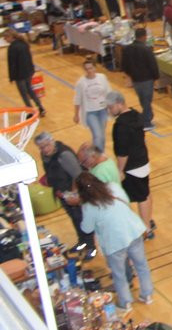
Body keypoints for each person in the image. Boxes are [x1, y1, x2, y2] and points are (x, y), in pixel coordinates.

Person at [74, 171, 152, 310]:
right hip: (133, 230)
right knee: (141, 266)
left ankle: (125, 302)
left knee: (119, 274)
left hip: (114, 242)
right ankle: (147, 295)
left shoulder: (88, 206)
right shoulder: (113, 186)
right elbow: (126, 201)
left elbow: (86, 229)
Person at [35, 132, 95, 252]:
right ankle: (82, 242)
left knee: (81, 218)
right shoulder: (44, 155)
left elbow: (78, 176)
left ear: (52, 141)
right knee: (75, 219)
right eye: (41, 147)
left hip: (73, 194)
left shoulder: (64, 155)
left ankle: (91, 247)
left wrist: (73, 195)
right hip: (62, 194)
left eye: (47, 145)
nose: (45, 149)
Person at [106, 92, 154, 235]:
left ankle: (146, 228)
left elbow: (122, 152)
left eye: (110, 107)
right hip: (143, 161)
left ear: (119, 104)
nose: (109, 111)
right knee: (146, 192)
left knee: (141, 197)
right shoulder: (136, 115)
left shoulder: (121, 126)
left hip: (132, 167)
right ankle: (148, 220)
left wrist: (120, 170)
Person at [121, 27, 160, 130]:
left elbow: (124, 65)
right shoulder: (146, 49)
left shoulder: (127, 49)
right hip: (147, 79)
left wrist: (130, 75)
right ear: (144, 37)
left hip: (136, 79)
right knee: (147, 101)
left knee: (143, 100)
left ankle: (147, 116)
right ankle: (146, 122)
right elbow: (153, 65)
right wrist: (156, 78)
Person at [5, 28, 44, 116]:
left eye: (5, 38)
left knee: (24, 93)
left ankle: (30, 111)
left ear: (10, 37)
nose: (5, 40)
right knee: (30, 90)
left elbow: (12, 64)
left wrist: (11, 77)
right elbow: (29, 57)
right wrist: (32, 69)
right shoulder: (24, 43)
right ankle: (40, 107)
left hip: (19, 74)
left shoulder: (12, 47)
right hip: (28, 72)